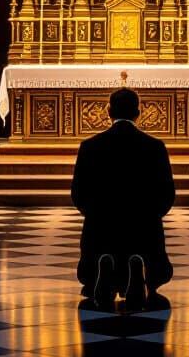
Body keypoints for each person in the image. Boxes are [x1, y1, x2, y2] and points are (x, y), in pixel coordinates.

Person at [71, 87, 175, 311]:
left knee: (100, 240)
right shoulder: (155, 147)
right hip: (143, 225)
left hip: (101, 225)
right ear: (139, 113)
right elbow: (167, 194)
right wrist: (148, 214)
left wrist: (98, 213)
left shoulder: (89, 146)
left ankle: (104, 271)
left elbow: (78, 193)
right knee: (145, 241)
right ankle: (141, 272)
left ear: (108, 111)